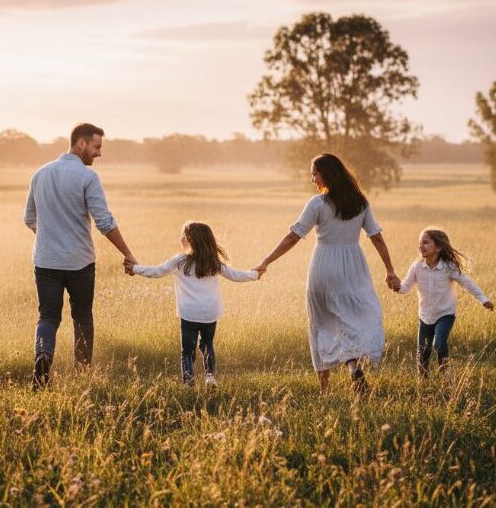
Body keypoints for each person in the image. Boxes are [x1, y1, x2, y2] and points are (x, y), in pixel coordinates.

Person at [254, 154, 399, 395]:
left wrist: (267, 260)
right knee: (352, 318)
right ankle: (353, 366)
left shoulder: (318, 204)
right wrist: (390, 270)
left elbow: (294, 236)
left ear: (327, 174)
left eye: (315, 173)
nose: (312, 179)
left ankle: (325, 389)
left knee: (321, 324)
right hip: (354, 266)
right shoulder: (360, 202)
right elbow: (376, 236)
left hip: (324, 266)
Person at [24, 123, 138, 390]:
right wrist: (128, 253)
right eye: (97, 147)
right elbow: (104, 221)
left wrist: (50, 238)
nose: (99, 154)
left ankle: (42, 360)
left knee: (48, 317)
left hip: (45, 261)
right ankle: (83, 374)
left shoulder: (40, 174)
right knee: (82, 317)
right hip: (80, 263)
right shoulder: (87, 178)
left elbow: (29, 218)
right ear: (81, 144)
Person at [124, 221, 259, 387]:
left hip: (189, 314)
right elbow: (236, 275)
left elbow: (156, 272)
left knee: (187, 351)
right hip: (210, 313)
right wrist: (255, 274)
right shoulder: (213, 261)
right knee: (207, 345)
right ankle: (210, 377)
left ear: (188, 239)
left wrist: (135, 268)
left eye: (182, 235)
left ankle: (188, 383)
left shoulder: (180, 261)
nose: (180, 238)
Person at [393, 227, 494, 376]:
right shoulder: (416, 267)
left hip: (445, 314)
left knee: (439, 344)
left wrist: (483, 299)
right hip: (425, 316)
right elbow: (404, 288)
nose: (421, 246)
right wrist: (396, 286)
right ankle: (423, 382)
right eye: (420, 243)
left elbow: (467, 283)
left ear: (438, 247)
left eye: (426, 242)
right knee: (422, 352)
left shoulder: (448, 267)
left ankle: (446, 373)